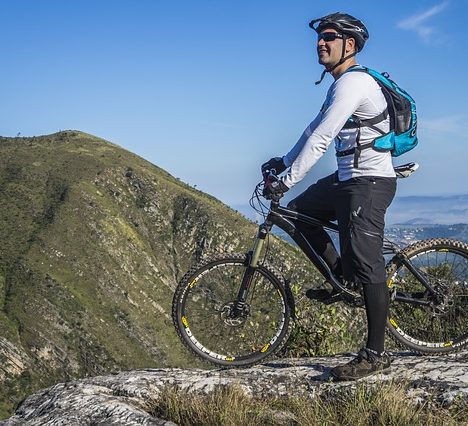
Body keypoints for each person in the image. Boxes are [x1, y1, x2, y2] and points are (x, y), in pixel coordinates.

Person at [261, 12, 398, 381]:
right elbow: (312, 130)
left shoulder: (354, 84)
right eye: (319, 37)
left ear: (348, 45)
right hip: (347, 178)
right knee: (297, 215)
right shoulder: (339, 85)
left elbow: (322, 140)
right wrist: (284, 160)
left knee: (369, 263)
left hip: (369, 182)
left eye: (330, 37)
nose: (321, 43)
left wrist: (286, 180)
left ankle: (375, 353)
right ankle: (344, 278)